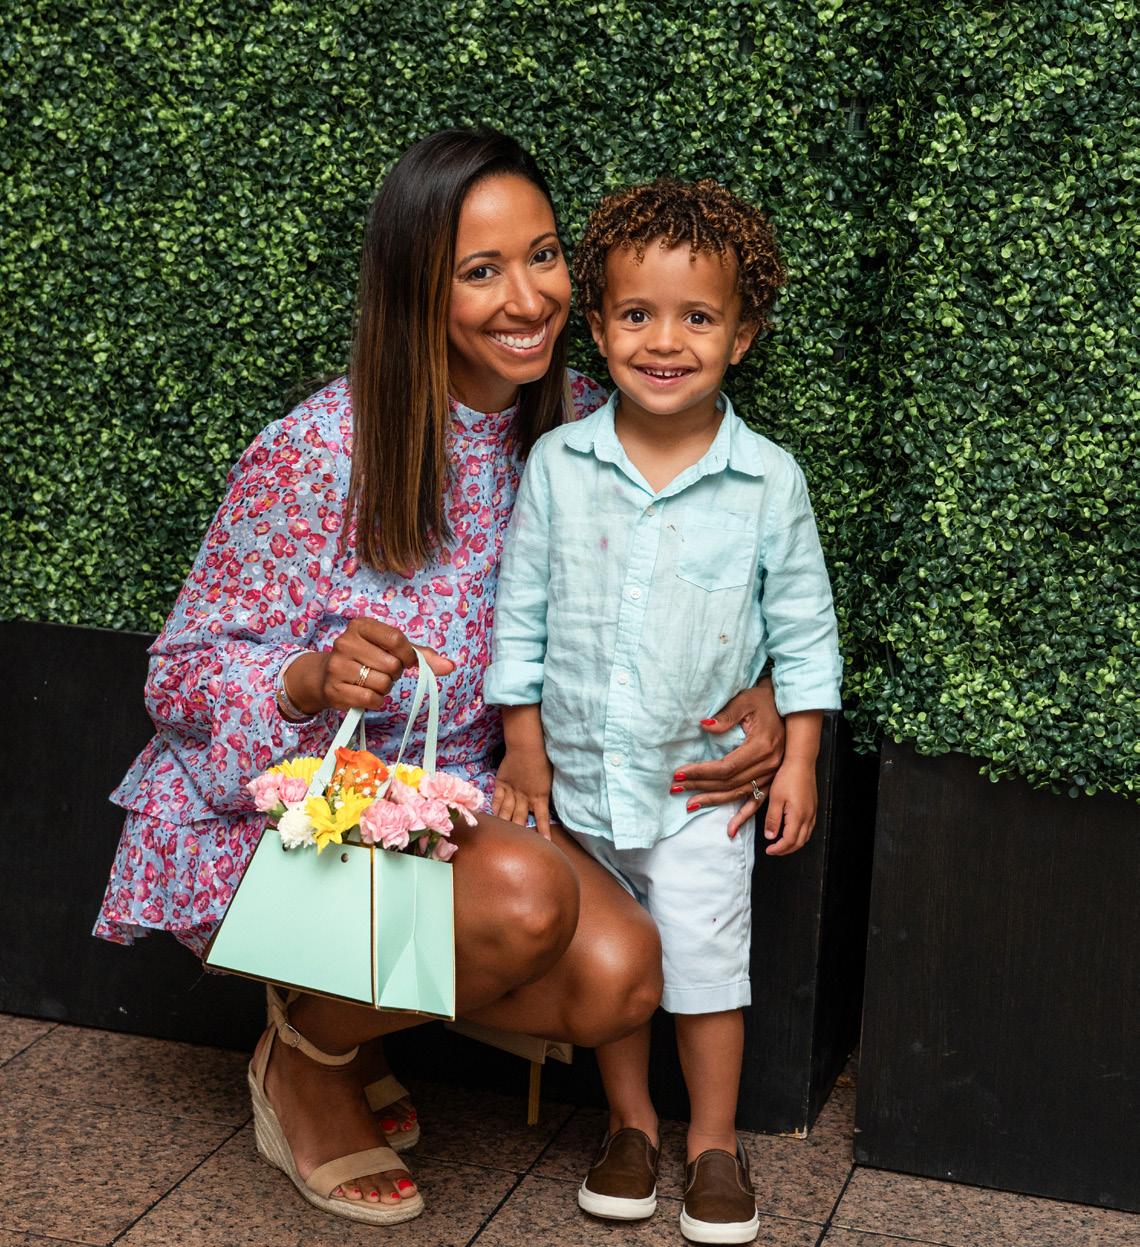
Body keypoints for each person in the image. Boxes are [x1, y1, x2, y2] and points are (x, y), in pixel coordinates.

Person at [93, 131, 786, 1228]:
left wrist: (762, 693)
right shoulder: (323, 448)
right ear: (418, 287)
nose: (529, 298)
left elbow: (698, 566)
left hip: (480, 803)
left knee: (622, 973)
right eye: (481, 271)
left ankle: (342, 1020)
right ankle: (308, 1056)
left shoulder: (587, 423)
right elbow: (179, 675)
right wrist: (309, 676)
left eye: (544, 257)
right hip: (318, 811)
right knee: (525, 897)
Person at [485, 177, 842, 1244]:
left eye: (698, 318)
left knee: (705, 971)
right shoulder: (559, 464)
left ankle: (715, 1144)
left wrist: (799, 756)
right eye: (637, 314)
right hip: (579, 784)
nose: (665, 341)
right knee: (622, 965)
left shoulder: (769, 483)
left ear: (742, 335)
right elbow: (520, 613)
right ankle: (630, 1126)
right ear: (597, 327)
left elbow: (805, 630)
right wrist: (523, 746)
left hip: (700, 795)